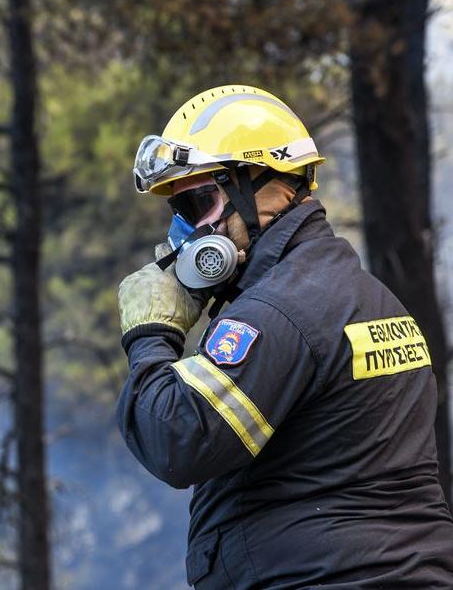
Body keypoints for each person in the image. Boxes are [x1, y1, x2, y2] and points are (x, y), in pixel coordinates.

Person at [116, 85, 453, 588]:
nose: (186, 233)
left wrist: (150, 332)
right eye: (179, 212)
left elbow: (176, 440)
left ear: (268, 188)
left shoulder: (278, 311)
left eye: (199, 203)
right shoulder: (366, 296)